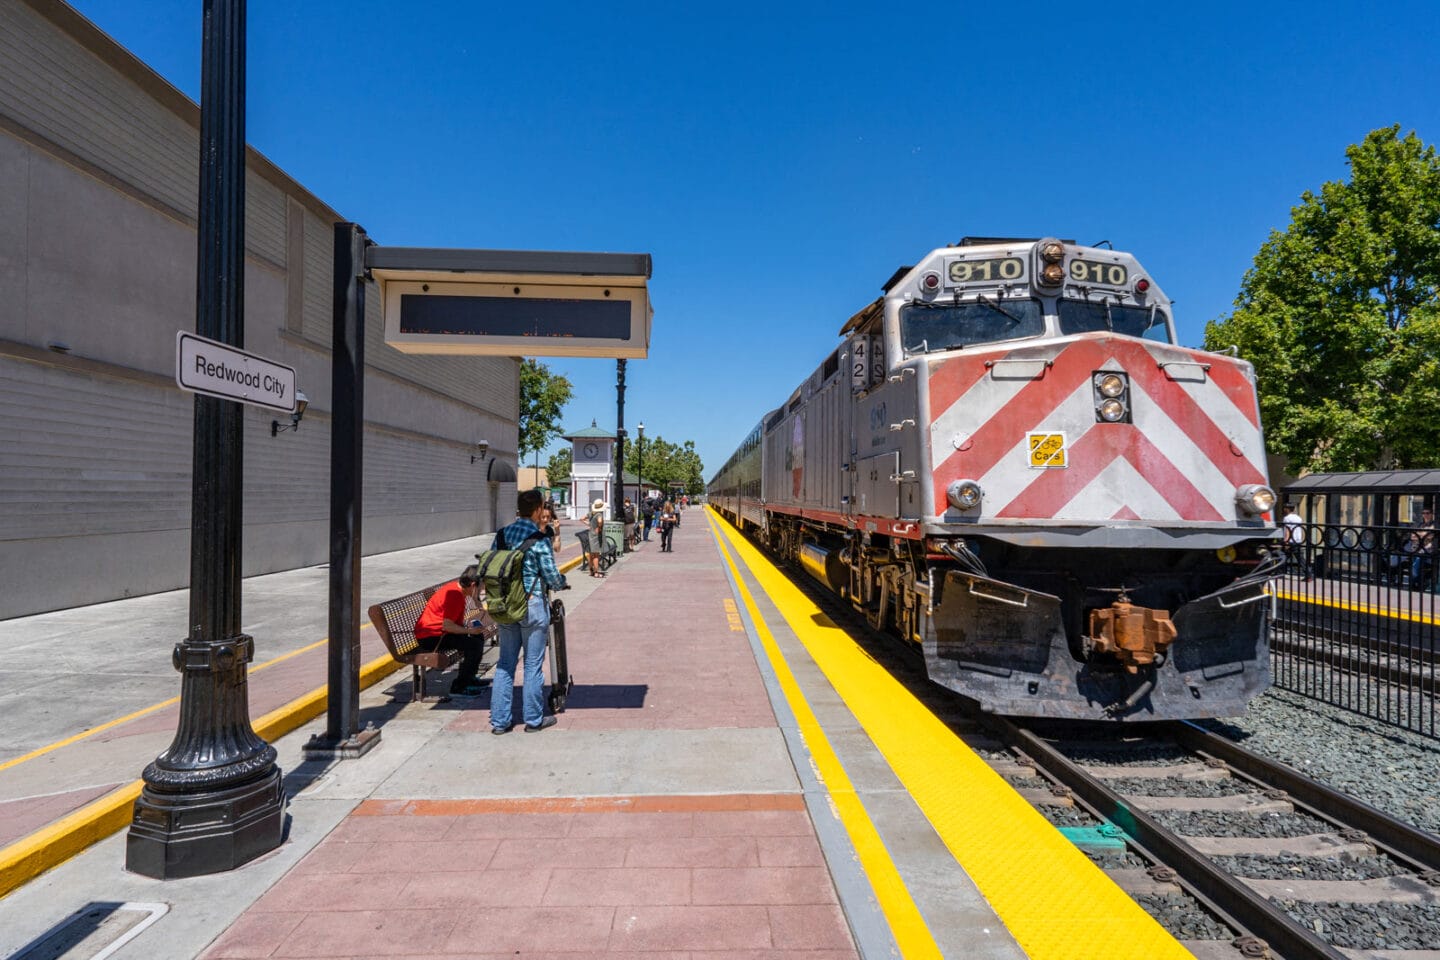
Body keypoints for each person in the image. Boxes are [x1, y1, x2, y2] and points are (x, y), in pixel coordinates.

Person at [489, 489, 568, 734]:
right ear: (536, 510)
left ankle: (500, 722)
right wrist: (561, 581)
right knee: (532, 665)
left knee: (505, 664)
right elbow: (552, 577)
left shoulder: (502, 535)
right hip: (532, 604)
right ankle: (533, 719)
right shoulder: (539, 538)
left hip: (506, 606)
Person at [413, 564, 490, 697]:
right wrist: (470, 631)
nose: (483, 589)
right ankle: (459, 687)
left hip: (439, 634)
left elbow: (474, 602)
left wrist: (476, 599)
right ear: (473, 585)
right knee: (473, 644)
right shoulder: (455, 595)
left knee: (478, 638)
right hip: (431, 637)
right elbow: (447, 626)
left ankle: (469, 678)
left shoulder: (459, 588)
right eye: (481, 586)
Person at [1281, 504, 1311, 581]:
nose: (1284, 509)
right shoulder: (1298, 518)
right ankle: (1309, 575)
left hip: (1290, 540)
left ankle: (1279, 573)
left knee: (1282, 556)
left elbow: (1287, 530)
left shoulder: (1287, 518)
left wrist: (1286, 541)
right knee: (1301, 559)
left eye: (1285, 508)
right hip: (1297, 540)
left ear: (1287, 509)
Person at [586, 498, 606, 577]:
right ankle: (596, 572)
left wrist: (590, 525)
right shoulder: (599, 514)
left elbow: (581, 519)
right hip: (596, 537)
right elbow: (600, 521)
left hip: (590, 535)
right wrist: (599, 527)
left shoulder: (591, 514)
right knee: (596, 555)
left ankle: (591, 571)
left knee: (591, 554)